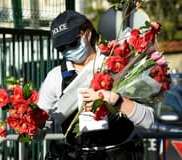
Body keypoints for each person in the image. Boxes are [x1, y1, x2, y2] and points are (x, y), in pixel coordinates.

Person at [37, 10, 156, 160]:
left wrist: (116, 101)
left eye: (72, 43)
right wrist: (34, 130)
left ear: (86, 33)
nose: (68, 50)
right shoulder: (56, 77)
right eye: (62, 48)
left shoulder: (116, 65)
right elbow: (41, 126)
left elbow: (149, 120)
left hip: (120, 155)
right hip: (77, 156)